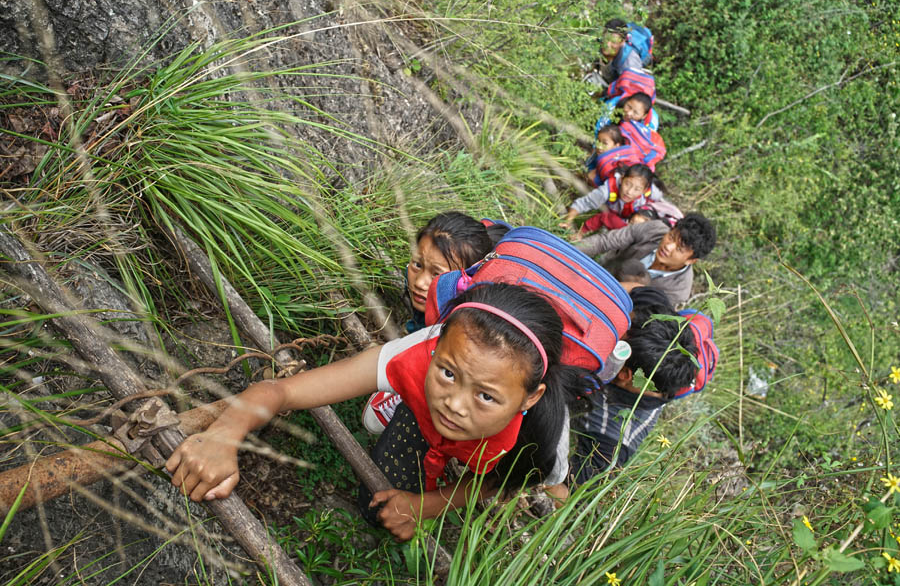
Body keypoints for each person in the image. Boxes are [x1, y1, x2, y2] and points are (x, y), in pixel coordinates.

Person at [165, 283, 592, 541]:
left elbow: (502, 482)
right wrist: (225, 432)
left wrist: (427, 505)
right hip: (424, 405)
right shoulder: (415, 355)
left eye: (486, 396)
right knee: (378, 508)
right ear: (436, 347)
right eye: (447, 373)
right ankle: (406, 407)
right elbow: (283, 391)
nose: (455, 404)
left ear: (530, 398)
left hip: (498, 450)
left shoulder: (541, 437)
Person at [365, 212, 499, 433]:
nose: (420, 282)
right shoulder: (439, 295)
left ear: (465, 281)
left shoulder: (469, 329)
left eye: (437, 275)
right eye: (417, 264)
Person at [570, 287, 698, 480]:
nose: (611, 332)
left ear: (624, 373)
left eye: (616, 340)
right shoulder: (655, 324)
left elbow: (569, 491)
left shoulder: (611, 440)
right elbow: (641, 290)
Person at [576, 212, 716, 305]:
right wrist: (570, 251)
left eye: (679, 249)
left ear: (690, 260)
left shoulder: (678, 291)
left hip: (613, 304)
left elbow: (642, 312)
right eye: (671, 237)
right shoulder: (654, 229)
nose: (668, 247)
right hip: (601, 270)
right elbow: (604, 241)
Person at [560, 164, 664, 235]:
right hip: (617, 215)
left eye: (637, 189)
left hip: (631, 219)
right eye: (627, 184)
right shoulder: (607, 190)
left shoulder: (652, 195)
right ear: (622, 179)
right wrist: (568, 220)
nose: (629, 192)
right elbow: (583, 203)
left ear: (644, 190)